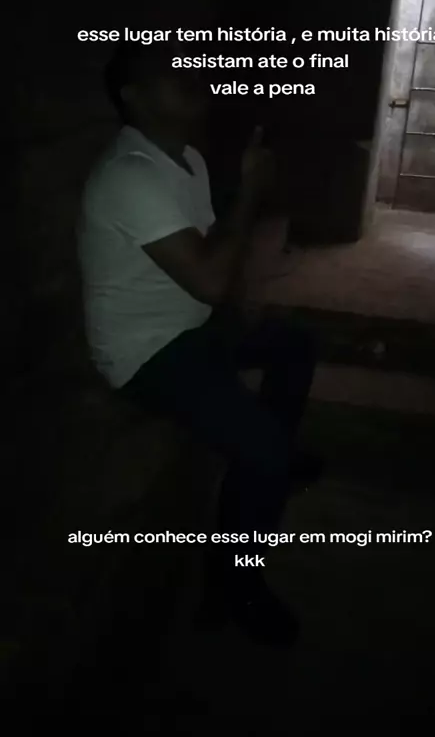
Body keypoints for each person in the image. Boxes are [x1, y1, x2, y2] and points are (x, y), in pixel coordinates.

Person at [78, 42, 320, 647]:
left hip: (192, 324)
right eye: (170, 74)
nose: (191, 77)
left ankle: (274, 457)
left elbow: (210, 254)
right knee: (263, 451)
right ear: (133, 97)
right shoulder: (130, 175)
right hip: (146, 350)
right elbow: (210, 278)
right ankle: (235, 587)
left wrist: (240, 309)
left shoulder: (186, 159)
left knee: (293, 344)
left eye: (188, 69)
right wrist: (252, 191)